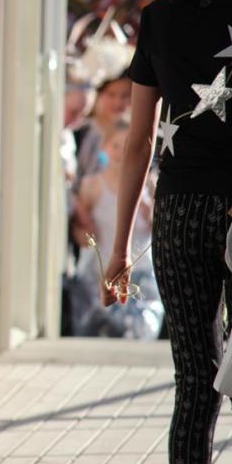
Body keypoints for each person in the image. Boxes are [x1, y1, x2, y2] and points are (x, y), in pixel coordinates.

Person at [106, 0, 232, 464]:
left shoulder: (159, 18)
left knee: (196, 374)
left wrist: (119, 248)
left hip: (178, 214)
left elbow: (138, 140)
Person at [71, 120, 163, 338]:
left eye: (127, 147)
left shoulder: (149, 183)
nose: (121, 153)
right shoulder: (92, 184)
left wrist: (148, 210)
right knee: (99, 330)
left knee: (141, 332)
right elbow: (80, 229)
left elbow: (155, 227)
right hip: (100, 268)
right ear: (104, 148)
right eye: (115, 147)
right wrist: (85, 234)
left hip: (140, 268)